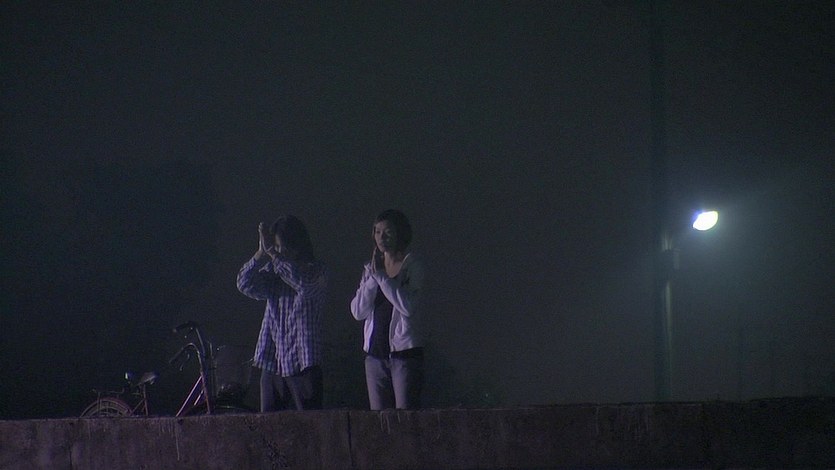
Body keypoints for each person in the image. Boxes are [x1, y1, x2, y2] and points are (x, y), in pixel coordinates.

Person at [237, 215, 328, 411]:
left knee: (310, 423)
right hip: (274, 360)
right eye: (276, 247)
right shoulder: (273, 271)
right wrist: (260, 254)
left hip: (304, 361)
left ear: (297, 245)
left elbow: (304, 285)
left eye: (282, 247)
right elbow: (244, 284)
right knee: (269, 424)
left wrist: (273, 255)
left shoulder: (316, 270)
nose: (278, 252)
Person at [350, 209, 425, 410]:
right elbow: (357, 311)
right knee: (379, 421)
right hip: (375, 355)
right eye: (377, 232)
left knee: (405, 416)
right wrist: (373, 278)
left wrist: (382, 277)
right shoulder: (370, 268)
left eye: (388, 232)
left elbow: (408, 307)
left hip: (404, 354)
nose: (381, 237)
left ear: (400, 233)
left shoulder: (413, 266)